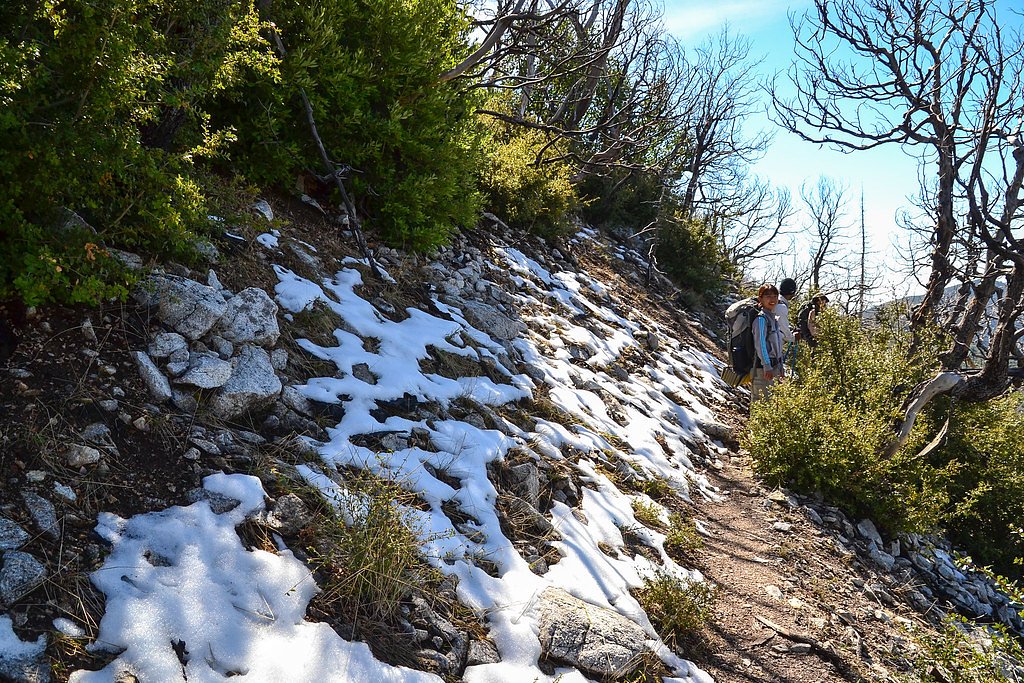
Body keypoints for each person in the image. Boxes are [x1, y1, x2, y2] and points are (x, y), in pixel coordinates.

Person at [750, 283, 785, 410]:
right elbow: (760, 344)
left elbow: (777, 346)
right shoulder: (761, 319)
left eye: (775, 296)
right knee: (761, 406)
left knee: (771, 407)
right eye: (768, 296)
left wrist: (780, 366)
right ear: (760, 299)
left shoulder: (773, 319)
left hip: (774, 368)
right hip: (763, 370)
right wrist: (767, 365)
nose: (772, 299)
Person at [777, 278, 798, 344]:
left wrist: (790, 328)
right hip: (771, 348)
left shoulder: (775, 302)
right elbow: (784, 331)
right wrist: (794, 338)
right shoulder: (781, 306)